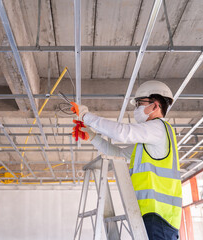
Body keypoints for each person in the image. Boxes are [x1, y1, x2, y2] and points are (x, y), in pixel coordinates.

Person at [71, 80, 182, 240]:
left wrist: (86, 116)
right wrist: (93, 137)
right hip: (151, 215)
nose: (136, 108)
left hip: (158, 217)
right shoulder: (149, 141)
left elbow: (123, 132)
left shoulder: (158, 128)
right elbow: (119, 155)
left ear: (155, 106)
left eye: (139, 104)